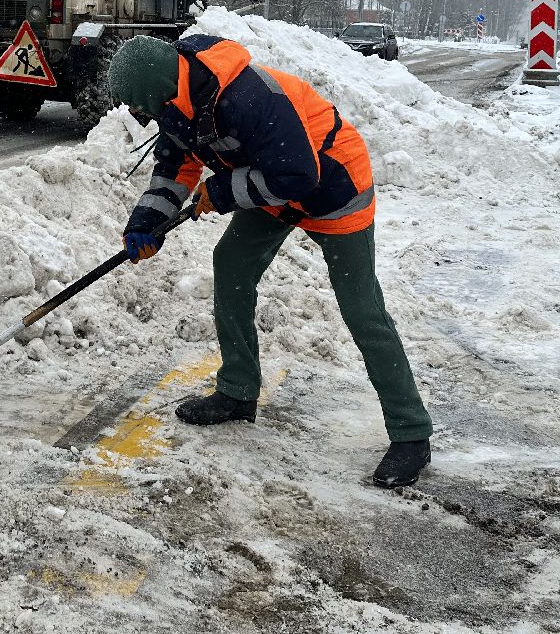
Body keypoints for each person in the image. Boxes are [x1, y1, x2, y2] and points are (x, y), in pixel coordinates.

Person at [109, 33, 433, 488]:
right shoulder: (177, 102)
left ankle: (411, 433)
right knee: (232, 265)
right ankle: (237, 391)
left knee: (362, 309)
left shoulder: (247, 95)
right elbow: (175, 166)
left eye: (137, 106)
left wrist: (220, 192)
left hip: (333, 185)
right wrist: (147, 222)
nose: (138, 116)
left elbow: (299, 175)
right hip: (272, 187)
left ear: (154, 92)